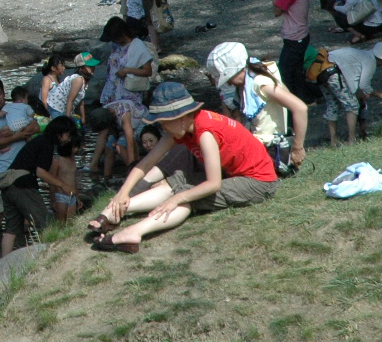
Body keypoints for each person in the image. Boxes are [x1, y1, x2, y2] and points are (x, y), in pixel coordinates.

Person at [86, 82, 278, 253]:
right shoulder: (181, 127)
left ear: (182, 117)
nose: (163, 127)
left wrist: (177, 198)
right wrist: (123, 193)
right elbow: (146, 162)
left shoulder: (205, 133)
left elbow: (213, 184)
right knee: (176, 180)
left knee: (187, 195)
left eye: (164, 122)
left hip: (258, 182)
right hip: (231, 173)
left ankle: (134, 232)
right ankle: (116, 211)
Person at [205, 41, 308, 167]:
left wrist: (298, 148)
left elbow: (300, 108)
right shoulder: (248, 81)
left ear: (240, 69)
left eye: (229, 79)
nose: (230, 84)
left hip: (270, 147)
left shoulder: (260, 83)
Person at [0, 115, 81, 253]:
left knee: (11, 229)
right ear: (60, 133)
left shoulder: (39, 140)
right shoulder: (47, 144)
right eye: (68, 135)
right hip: (23, 186)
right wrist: (63, 185)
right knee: (45, 223)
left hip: (8, 185)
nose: (68, 139)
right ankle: (49, 257)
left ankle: (2, 264)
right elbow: (41, 172)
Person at [0, 75, 39, 252]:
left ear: (5, 94)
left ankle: (24, 250)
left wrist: (10, 137)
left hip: (22, 170)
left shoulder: (17, 109)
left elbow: (35, 126)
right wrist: (19, 135)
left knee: (27, 216)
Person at [97, 16, 156, 162]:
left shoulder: (137, 46)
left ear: (121, 35)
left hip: (129, 96)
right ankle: (104, 171)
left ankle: (132, 166)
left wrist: (128, 70)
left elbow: (148, 71)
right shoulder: (116, 47)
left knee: (126, 133)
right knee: (112, 133)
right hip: (113, 94)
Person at [317, 42, 382, 145]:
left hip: (321, 72)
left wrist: (361, 93)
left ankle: (333, 141)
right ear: (381, 59)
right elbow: (364, 85)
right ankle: (352, 140)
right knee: (352, 106)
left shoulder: (362, 55)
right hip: (334, 74)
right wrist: (379, 94)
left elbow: (355, 83)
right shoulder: (370, 61)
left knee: (333, 104)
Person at [268, 0, 312, 97]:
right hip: (302, 35)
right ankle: (302, 97)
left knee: (285, 72)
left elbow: (277, 11)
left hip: (294, 37)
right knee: (297, 71)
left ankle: (289, 100)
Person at [40, 52, 91, 123]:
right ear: (53, 68)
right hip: (53, 109)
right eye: (62, 66)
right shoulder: (47, 79)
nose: (64, 68)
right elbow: (44, 99)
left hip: (62, 108)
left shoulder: (59, 80)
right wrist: (50, 114)